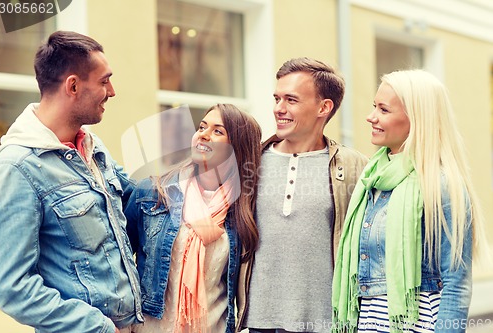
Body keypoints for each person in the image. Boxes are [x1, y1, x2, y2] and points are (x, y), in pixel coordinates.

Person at [0, 31, 143, 333]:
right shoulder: (17, 169)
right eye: (104, 81)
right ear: (72, 85)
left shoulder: (91, 146)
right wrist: (96, 327)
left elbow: (137, 199)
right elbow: (11, 287)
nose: (112, 91)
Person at [331, 69, 484, 333]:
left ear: (417, 118)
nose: (371, 117)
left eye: (384, 110)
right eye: (373, 107)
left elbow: (455, 284)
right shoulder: (372, 178)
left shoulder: (442, 185)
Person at [238, 57, 368, 333]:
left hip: (324, 322)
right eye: (276, 98)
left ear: (324, 107)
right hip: (259, 320)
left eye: (291, 100)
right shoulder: (252, 160)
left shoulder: (355, 167)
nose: (278, 109)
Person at [125, 103, 262, 333]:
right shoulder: (154, 193)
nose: (203, 135)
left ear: (237, 146)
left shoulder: (244, 211)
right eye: (202, 127)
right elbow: (120, 259)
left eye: (218, 131)